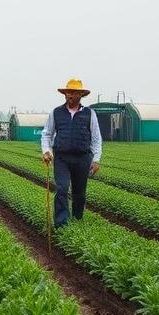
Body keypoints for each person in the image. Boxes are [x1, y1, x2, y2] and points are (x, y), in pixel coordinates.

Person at [41, 78, 102, 228]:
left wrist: (96, 160)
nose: (70, 95)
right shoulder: (56, 113)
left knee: (79, 194)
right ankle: (61, 224)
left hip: (83, 158)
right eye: (68, 92)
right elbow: (47, 134)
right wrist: (47, 151)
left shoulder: (90, 114)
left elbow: (96, 138)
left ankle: (77, 220)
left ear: (80, 95)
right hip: (62, 158)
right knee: (62, 188)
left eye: (73, 92)